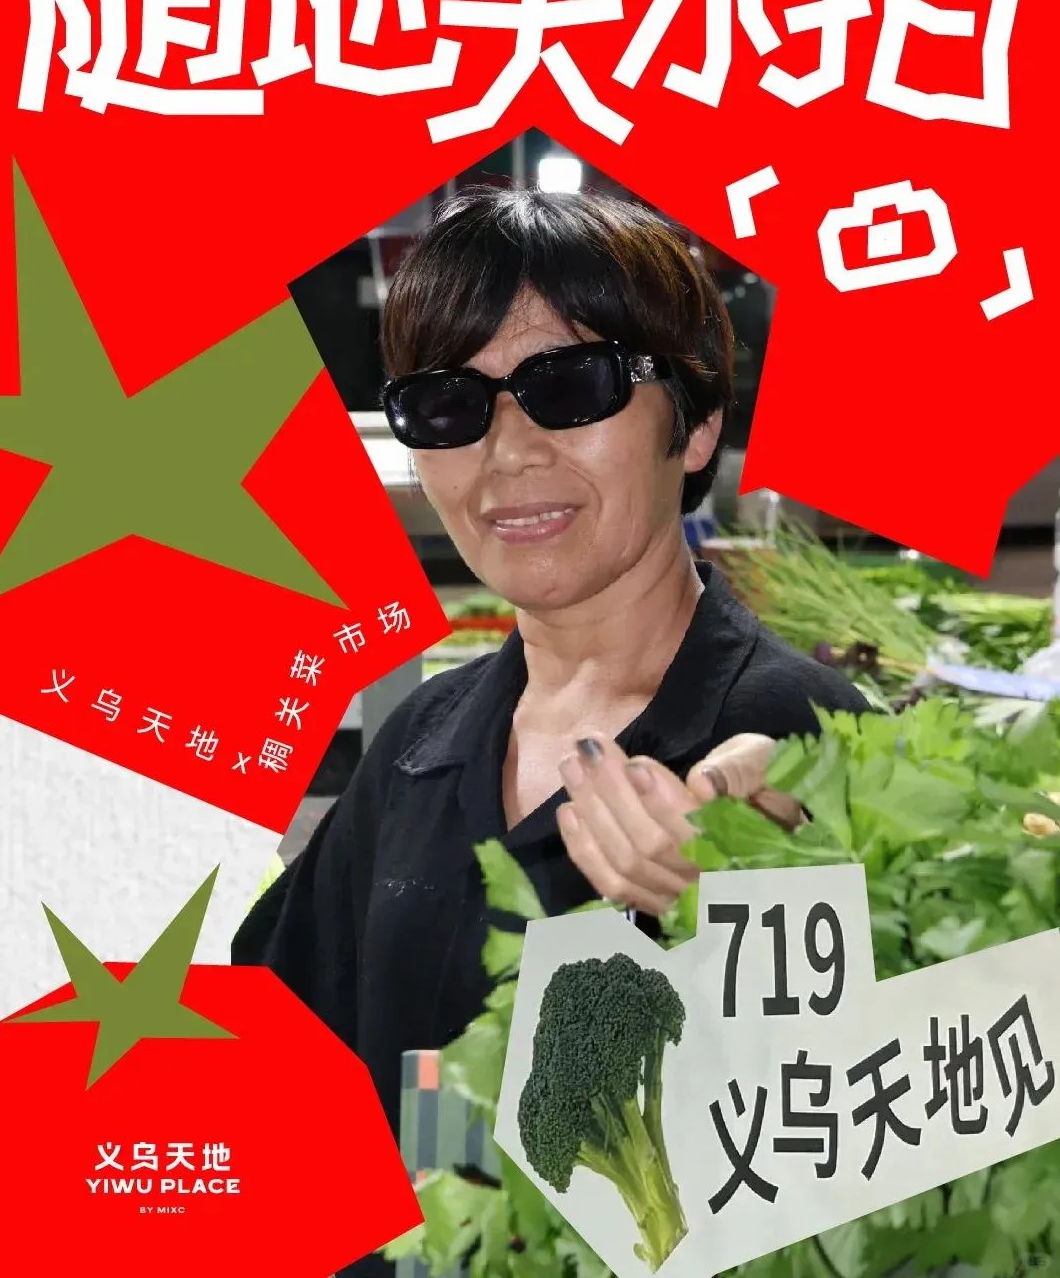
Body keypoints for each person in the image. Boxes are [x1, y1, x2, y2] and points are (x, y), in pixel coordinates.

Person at [232, 188, 870, 1268]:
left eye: (570, 387)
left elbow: (903, 1146)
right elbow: (283, 1042)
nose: (508, 452)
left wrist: (776, 917)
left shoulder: (804, 749)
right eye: (447, 405)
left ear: (695, 424)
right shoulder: (425, 739)